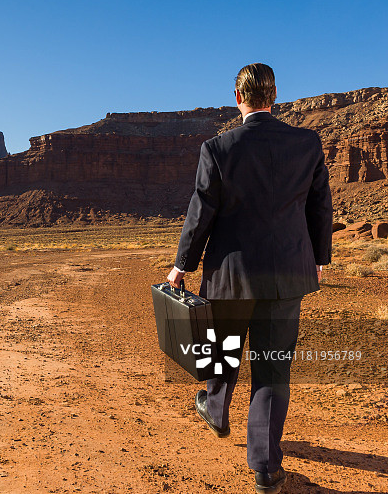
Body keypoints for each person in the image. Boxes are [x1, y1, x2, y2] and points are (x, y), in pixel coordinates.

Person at [167, 63, 332, 494]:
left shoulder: (217, 148)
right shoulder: (307, 143)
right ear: (273, 96)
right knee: (273, 370)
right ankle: (264, 467)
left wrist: (182, 265)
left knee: (221, 351)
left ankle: (216, 409)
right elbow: (319, 207)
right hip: (285, 277)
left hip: (230, 278)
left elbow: (201, 212)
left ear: (237, 97)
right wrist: (319, 259)